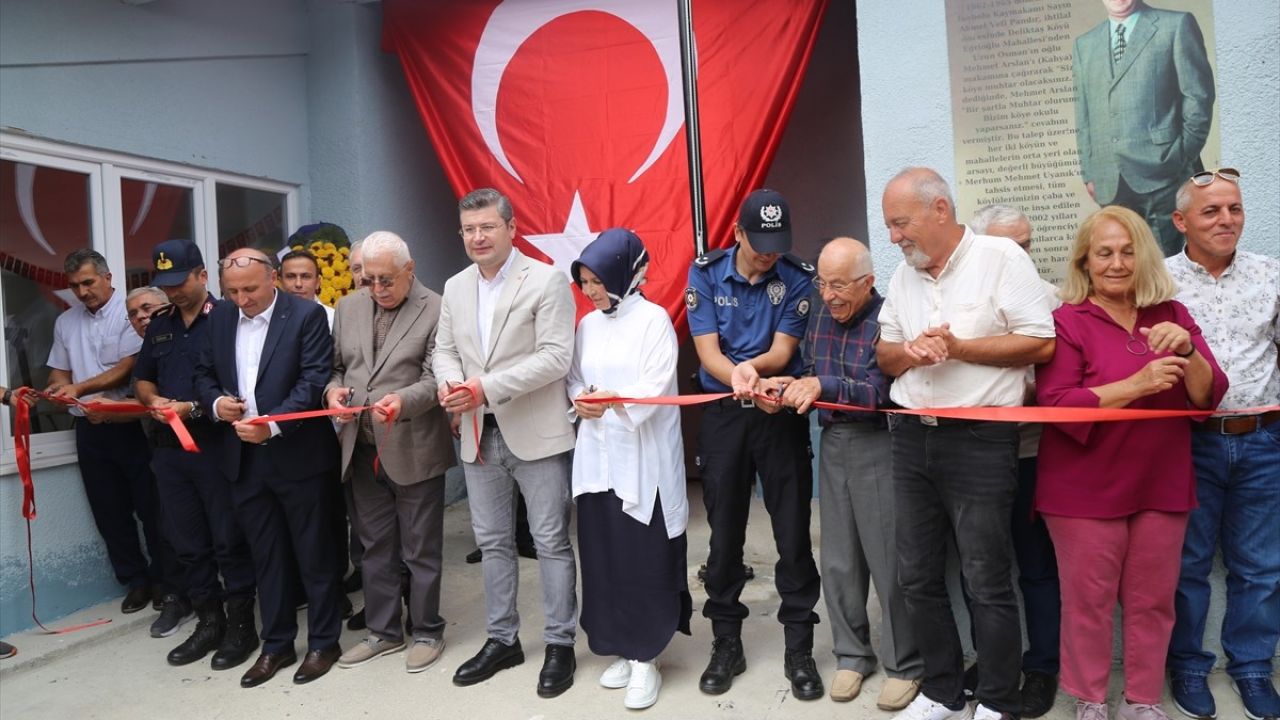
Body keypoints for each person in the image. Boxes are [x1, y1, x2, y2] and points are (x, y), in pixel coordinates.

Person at [875, 168, 1056, 720]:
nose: (893, 237)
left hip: (981, 439)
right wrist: (913, 352)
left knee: (985, 577)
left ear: (939, 211)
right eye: (889, 226)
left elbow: (1040, 343)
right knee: (917, 575)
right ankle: (943, 691)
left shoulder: (1001, 260)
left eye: (900, 223)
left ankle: (998, 699)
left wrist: (959, 348)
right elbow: (885, 355)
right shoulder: (905, 275)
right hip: (910, 437)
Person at [1036, 205, 1228, 720]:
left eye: (1128, 251)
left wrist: (1190, 353)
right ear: (1085, 261)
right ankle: (1090, 699)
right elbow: (1056, 405)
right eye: (1105, 252)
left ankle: (1143, 699)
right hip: (1083, 489)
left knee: (1153, 601)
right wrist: (1136, 385)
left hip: (1160, 482)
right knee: (1089, 603)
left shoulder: (1173, 315)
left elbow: (1208, 398)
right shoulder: (1066, 321)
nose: (1117, 263)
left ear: (1143, 258)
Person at [433, 188, 579, 698]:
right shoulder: (454, 287)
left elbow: (557, 357)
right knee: (493, 543)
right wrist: (450, 385)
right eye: (469, 229)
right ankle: (503, 639)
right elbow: (444, 349)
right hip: (477, 433)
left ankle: (561, 643)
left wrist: (484, 387)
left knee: (551, 541)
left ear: (511, 228)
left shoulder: (545, 279)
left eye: (487, 227)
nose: (477, 237)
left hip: (536, 434)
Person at [771, 237, 924, 711]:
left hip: (880, 441)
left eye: (839, 285)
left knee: (887, 559)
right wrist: (789, 385)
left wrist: (823, 385)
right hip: (833, 440)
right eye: (823, 283)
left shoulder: (889, 316)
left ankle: (905, 663)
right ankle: (852, 655)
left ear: (868, 282)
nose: (829, 295)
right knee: (838, 559)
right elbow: (811, 370)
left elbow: (882, 391)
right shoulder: (819, 314)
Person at [686, 188, 823, 701]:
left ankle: (799, 645)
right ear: (738, 233)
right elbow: (707, 350)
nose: (769, 252)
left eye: (777, 242)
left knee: (791, 531)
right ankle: (726, 642)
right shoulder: (704, 271)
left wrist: (758, 374)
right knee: (724, 534)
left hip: (779, 410)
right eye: (759, 240)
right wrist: (740, 378)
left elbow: (784, 349)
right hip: (725, 412)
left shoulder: (797, 277)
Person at [193, 247, 344, 688]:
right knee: (267, 557)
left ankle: (323, 642)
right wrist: (217, 403)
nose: (242, 299)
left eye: (251, 289)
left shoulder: (305, 316)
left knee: (314, 554)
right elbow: (203, 374)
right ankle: (276, 645)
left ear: (273, 278)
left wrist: (271, 426)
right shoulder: (219, 317)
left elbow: (313, 381)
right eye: (233, 291)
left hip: (297, 456)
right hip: (243, 459)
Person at [1164, 168, 1280, 720]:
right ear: (1181, 221)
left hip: (1263, 440)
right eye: (1211, 211)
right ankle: (1187, 666)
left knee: (1259, 565)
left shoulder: (1270, 274)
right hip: (1189, 443)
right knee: (1186, 564)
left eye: (1234, 208)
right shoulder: (1159, 283)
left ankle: (1253, 669)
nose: (1226, 220)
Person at [567, 228, 692, 711]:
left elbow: (655, 387)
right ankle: (623, 643)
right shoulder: (587, 326)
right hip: (597, 457)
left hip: (643, 460)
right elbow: (575, 379)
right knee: (604, 554)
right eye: (585, 282)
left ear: (624, 272)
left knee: (642, 555)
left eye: (598, 280)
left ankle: (648, 657)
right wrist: (582, 401)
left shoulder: (655, 321)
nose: (592, 291)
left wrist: (613, 404)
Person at [325, 231, 456, 674]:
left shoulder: (438, 308)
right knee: (374, 546)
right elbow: (338, 367)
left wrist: (403, 401)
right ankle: (383, 632)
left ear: (410, 270)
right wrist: (332, 392)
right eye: (367, 279)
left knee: (420, 549)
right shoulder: (348, 307)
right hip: (359, 446)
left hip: (414, 445)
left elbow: (435, 376)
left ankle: (427, 630)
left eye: (386, 280)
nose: (376, 289)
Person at [133, 240, 259, 670]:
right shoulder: (160, 324)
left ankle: (242, 625)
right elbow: (142, 379)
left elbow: (244, 384)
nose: (173, 293)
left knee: (229, 540)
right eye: (165, 285)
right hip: (169, 452)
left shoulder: (229, 317)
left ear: (203, 276)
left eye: (180, 282)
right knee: (188, 543)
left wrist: (194, 407)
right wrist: (153, 400)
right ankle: (209, 622)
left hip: (215, 446)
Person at [965, 205, 1063, 718]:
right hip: (973, 456)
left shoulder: (1051, 300)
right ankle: (991, 661)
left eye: (1027, 245)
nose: (1023, 256)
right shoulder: (963, 301)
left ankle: (1043, 665)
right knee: (981, 568)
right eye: (1011, 247)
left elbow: (1061, 383)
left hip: (1031, 455)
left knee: (1037, 566)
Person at [45, 249, 165, 615]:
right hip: (89, 429)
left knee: (152, 507)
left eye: (88, 282)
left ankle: (166, 580)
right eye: (74, 286)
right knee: (108, 511)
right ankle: (136, 580)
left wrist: (79, 389)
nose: (82, 292)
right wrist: (58, 388)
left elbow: (130, 367)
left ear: (108, 277)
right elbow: (58, 371)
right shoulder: (66, 322)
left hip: (132, 424)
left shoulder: (132, 313)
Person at [1072, 0, 1215, 257]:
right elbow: (1083, 116)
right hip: (1110, 180)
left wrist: (1181, 156)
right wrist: (1089, 173)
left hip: (1164, 173)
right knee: (1125, 267)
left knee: (1166, 266)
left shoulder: (1175, 25)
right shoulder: (1085, 44)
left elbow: (1199, 97)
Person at [280, 249, 335, 330]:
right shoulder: (269, 318)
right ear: (281, 282)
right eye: (290, 276)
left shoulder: (333, 320)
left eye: (306, 276)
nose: (298, 284)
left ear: (317, 282)